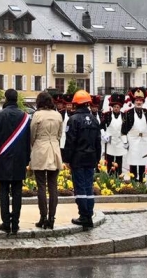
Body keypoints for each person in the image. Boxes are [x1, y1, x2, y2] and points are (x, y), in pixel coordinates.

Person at [0, 89, 31, 234]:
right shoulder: (25, 116)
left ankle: (6, 222)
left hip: (3, 158)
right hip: (20, 158)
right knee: (17, 192)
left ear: (6, 98)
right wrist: (27, 159)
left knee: (4, 191)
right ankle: (15, 223)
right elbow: (27, 140)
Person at [63, 90, 101, 229]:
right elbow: (98, 142)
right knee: (88, 187)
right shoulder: (94, 120)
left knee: (80, 188)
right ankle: (89, 215)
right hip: (91, 158)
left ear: (76, 104)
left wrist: (66, 159)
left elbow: (70, 142)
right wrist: (97, 158)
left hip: (78, 159)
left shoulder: (73, 120)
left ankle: (84, 216)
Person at [30, 91, 63, 230]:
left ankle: (43, 217)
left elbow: (32, 134)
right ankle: (52, 217)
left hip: (40, 149)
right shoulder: (58, 115)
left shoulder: (37, 115)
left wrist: (34, 145)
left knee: (41, 186)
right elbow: (60, 134)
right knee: (53, 186)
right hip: (54, 149)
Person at [122, 87, 147, 182]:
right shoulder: (128, 113)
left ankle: (142, 182)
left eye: (140, 100)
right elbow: (123, 129)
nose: (139, 102)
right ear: (134, 101)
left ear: (143, 101)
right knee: (133, 162)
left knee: (143, 161)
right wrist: (125, 142)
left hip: (144, 140)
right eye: (137, 100)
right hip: (133, 140)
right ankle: (133, 181)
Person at [100, 93, 128, 174]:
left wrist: (126, 141)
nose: (116, 108)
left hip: (120, 140)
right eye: (115, 107)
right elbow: (101, 125)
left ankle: (119, 176)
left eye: (118, 107)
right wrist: (103, 134)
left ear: (120, 108)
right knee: (109, 159)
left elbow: (126, 129)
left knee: (119, 160)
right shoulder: (107, 115)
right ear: (112, 107)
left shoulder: (124, 116)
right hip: (110, 140)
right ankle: (109, 176)